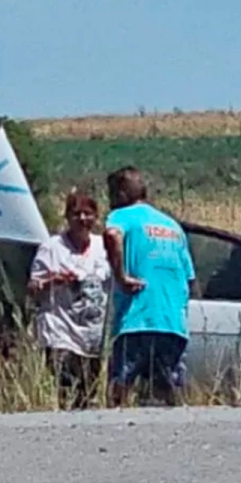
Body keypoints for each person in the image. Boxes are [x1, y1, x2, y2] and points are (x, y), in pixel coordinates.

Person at [102, 165, 195, 407]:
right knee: (167, 389)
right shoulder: (173, 226)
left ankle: (112, 429)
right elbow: (189, 277)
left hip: (137, 319)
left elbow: (112, 235)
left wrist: (121, 277)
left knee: (120, 386)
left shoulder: (123, 215)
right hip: (173, 322)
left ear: (121, 194)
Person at [28, 189, 111, 410]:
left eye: (87, 213)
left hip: (92, 333)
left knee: (88, 392)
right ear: (67, 217)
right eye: (76, 214)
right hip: (59, 330)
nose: (82, 219)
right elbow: (33, 288)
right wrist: (53, 280)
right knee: (66, 385)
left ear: (95, 216)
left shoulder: (104, 246)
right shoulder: (52, 247)